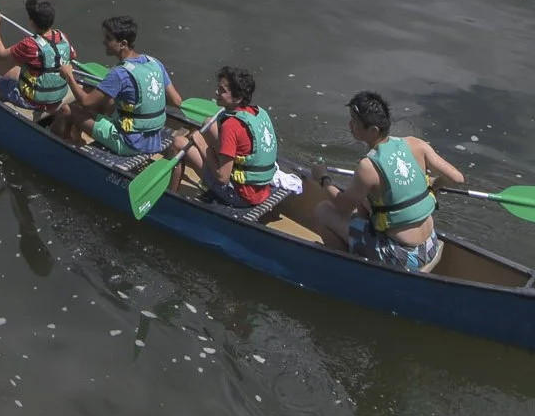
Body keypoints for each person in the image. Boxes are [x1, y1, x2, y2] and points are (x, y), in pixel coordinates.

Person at [311, 91, 465, 272]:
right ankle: (358, 252)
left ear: (373, 130)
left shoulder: (368, 166)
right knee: (364, 201)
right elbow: (457, 178)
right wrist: (433, 184)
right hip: (430, 244)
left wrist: (323, 178)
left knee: (324, 211)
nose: (350, 124)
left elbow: (341, 206)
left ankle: (347, 271)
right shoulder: (416, 144)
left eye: (355, 121)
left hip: (404, 257)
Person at [63, 15, 183, 156]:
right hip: (153, 139)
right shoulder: (154, 62)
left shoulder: (119, 73)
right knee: (107, 101)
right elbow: (177, 101)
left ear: (123, 43)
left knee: (67, 110)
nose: (104, 42)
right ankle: (77, 135)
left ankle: (66, 149)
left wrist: (69, 75)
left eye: (108, 39)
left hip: (129, 143)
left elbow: (86, 102)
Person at [175, 66, 279, 208]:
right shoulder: (258, 112)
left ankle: (170, 195)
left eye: (222, 91)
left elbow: (223, 178)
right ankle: (207, 184)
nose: (217, 92)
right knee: (208, 123)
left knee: (179, 143)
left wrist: (201, 144)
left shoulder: (231, 125)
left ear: (238, 98)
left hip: (240, 196)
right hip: (261, 189)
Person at [0, 0, 78, 132]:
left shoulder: (29, 44)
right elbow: (72, 55)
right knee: (13, 72)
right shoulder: (62, 37)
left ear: (31, 22)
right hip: (57, 97)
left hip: (34, 101)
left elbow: (1, 54)